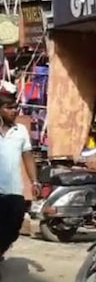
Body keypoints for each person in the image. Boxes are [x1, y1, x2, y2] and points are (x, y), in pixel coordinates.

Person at [0, 92, 38, 266]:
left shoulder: (21, 131)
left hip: (14, 190)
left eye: (16, 108)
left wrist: (34, 181)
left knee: (14, 228)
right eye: (8, 108)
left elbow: (28, 156)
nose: (14, 111)